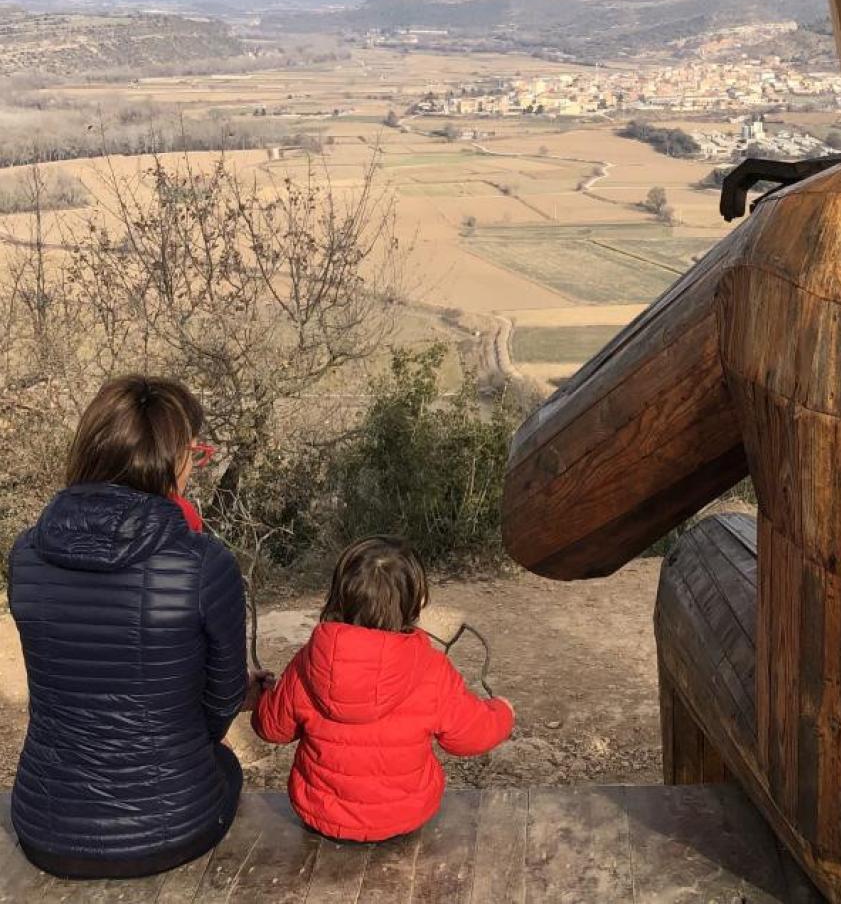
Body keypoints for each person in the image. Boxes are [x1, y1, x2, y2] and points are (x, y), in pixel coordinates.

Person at [7, 375, 265, 879]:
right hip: (170, 832)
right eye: (193, 453)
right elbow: (219, 705)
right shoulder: (204, 565)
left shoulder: (26, 555)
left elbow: (64, 678)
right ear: (172, 460)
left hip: (46, 828)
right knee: (224, 765)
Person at [252, 535, 513, 842]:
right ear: (414, 602)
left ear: (337, 596)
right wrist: (503, 712)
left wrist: (264, 696)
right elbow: (470, 736)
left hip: (320, 816)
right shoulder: (431, 669)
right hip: (405, 816)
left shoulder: (308, 663)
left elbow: (272, 729)